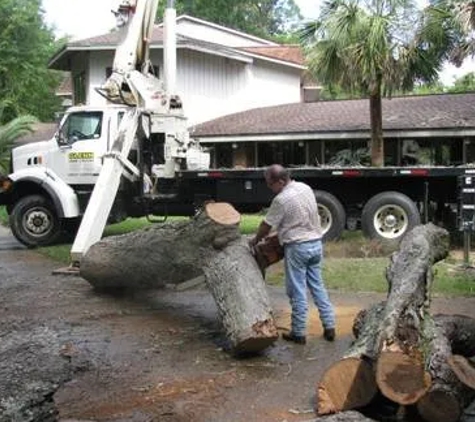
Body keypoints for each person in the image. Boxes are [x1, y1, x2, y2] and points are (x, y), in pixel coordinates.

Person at [249, 164, 336, 345]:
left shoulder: (282, 199)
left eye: (270, 184)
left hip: (298, 248)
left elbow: (266, 225)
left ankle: (298, 332)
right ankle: (329, 326)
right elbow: (299, 218)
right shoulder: (305, 188)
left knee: (297, 291)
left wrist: (256, 240)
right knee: (318, 286)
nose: (269, 187)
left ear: (280, 181)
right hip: (315, 244)